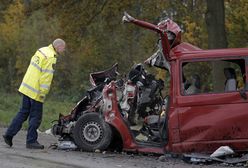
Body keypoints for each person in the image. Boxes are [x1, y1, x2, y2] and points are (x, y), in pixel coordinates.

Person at [3, 38, 66, 149]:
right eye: (63, 48)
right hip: (36, 91)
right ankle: (31, 141)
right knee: (36, 117)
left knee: (23, 113)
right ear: (59, 47)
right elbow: (46, 77)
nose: (63, 51)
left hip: (26, 86)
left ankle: (8, 134)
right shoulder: (51, 57)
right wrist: (43, 93)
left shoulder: (41, 50)